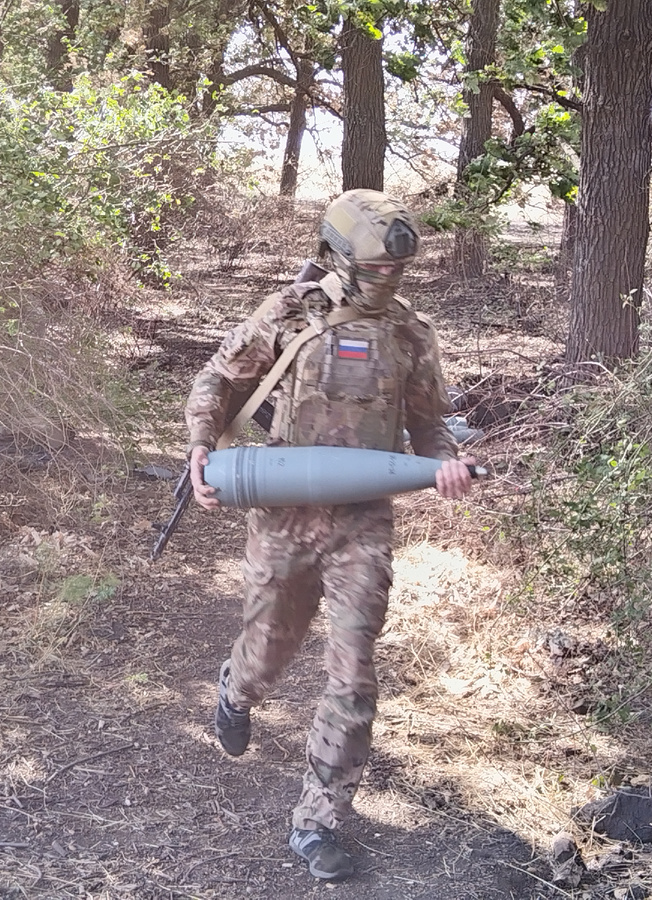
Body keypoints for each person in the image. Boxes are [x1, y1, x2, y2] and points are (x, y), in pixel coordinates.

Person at [182, 189, 476, 882]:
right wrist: (200, 444)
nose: (388, 279)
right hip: (283, 513)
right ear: (339, 257)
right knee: (268, 653)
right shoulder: (290, 312)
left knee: (353, 674)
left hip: (362, 521)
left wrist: (444, 465)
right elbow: (219, 378)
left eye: (397, 269)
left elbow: (430, 424)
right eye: (376, 268)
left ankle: (318, 821)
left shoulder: (409, 334)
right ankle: (236, 689)